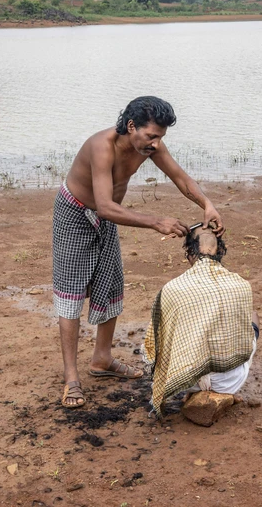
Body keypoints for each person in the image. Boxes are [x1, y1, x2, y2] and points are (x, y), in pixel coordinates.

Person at [53, 96, 224, 408]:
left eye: (160, 137)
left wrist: (206, 204)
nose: (156, 143)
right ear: (131, 126)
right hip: (76, 213)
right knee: (71, 294)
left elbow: (181, 178)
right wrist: (155, 221)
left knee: (112, 284)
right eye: (151, 135)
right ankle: (71, 378)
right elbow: (104, 206)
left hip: (109, 215)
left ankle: (102, 359)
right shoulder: (101, 147)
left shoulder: (150, 147)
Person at [143, 224, 259, 417]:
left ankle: (194, 392)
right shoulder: (241, 286)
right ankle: (223, 394)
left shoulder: (173, 289)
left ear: (189, 253)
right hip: (230, 382)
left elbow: (155, 346)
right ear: (220, 251)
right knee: (253, 316)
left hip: (184, 382)